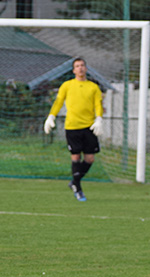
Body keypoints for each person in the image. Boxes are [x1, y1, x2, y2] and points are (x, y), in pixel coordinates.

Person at [43, 57, 104, 202]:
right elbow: (58, 102)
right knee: (75, 157)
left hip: (89, 127)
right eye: (77, 66)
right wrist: (51, 116)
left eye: (82, 65)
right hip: (72, 127)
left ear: (86, 69)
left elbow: (98, 105)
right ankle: (78, 187)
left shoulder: (93, 87)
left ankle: (74, 181)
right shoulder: (67, 85)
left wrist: (99, 118)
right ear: (73, 70)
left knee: (89, 158)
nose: (80, 68)